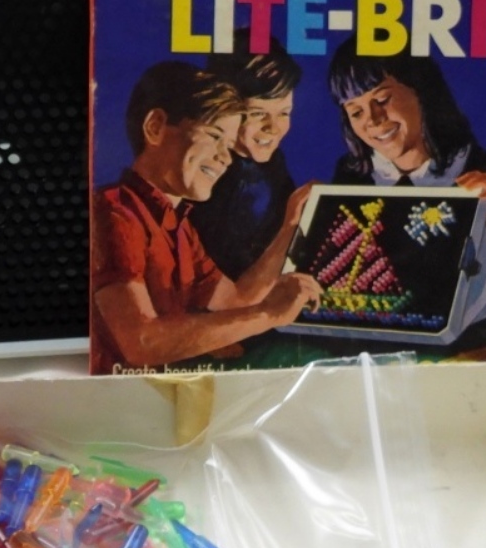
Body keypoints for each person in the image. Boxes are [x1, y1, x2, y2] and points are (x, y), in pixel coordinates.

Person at [92, 61, 320, 373]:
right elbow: (141, 341)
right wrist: (269, 315)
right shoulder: (114, 212)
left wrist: (290, 226)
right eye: (214, 136)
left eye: (229, 145)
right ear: (155, 127)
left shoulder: (179, 226)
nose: (225, 158)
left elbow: (237, 300)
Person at [327, 39, 486, 329]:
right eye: (356, 112)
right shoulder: (351, 178)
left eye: (383, 99)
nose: (374, 120)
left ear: (420, 89)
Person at [191, 38, 302, 280]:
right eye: (258, 113)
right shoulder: (204, 175)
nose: (273, 128)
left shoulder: (273, 163)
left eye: (284, 113)